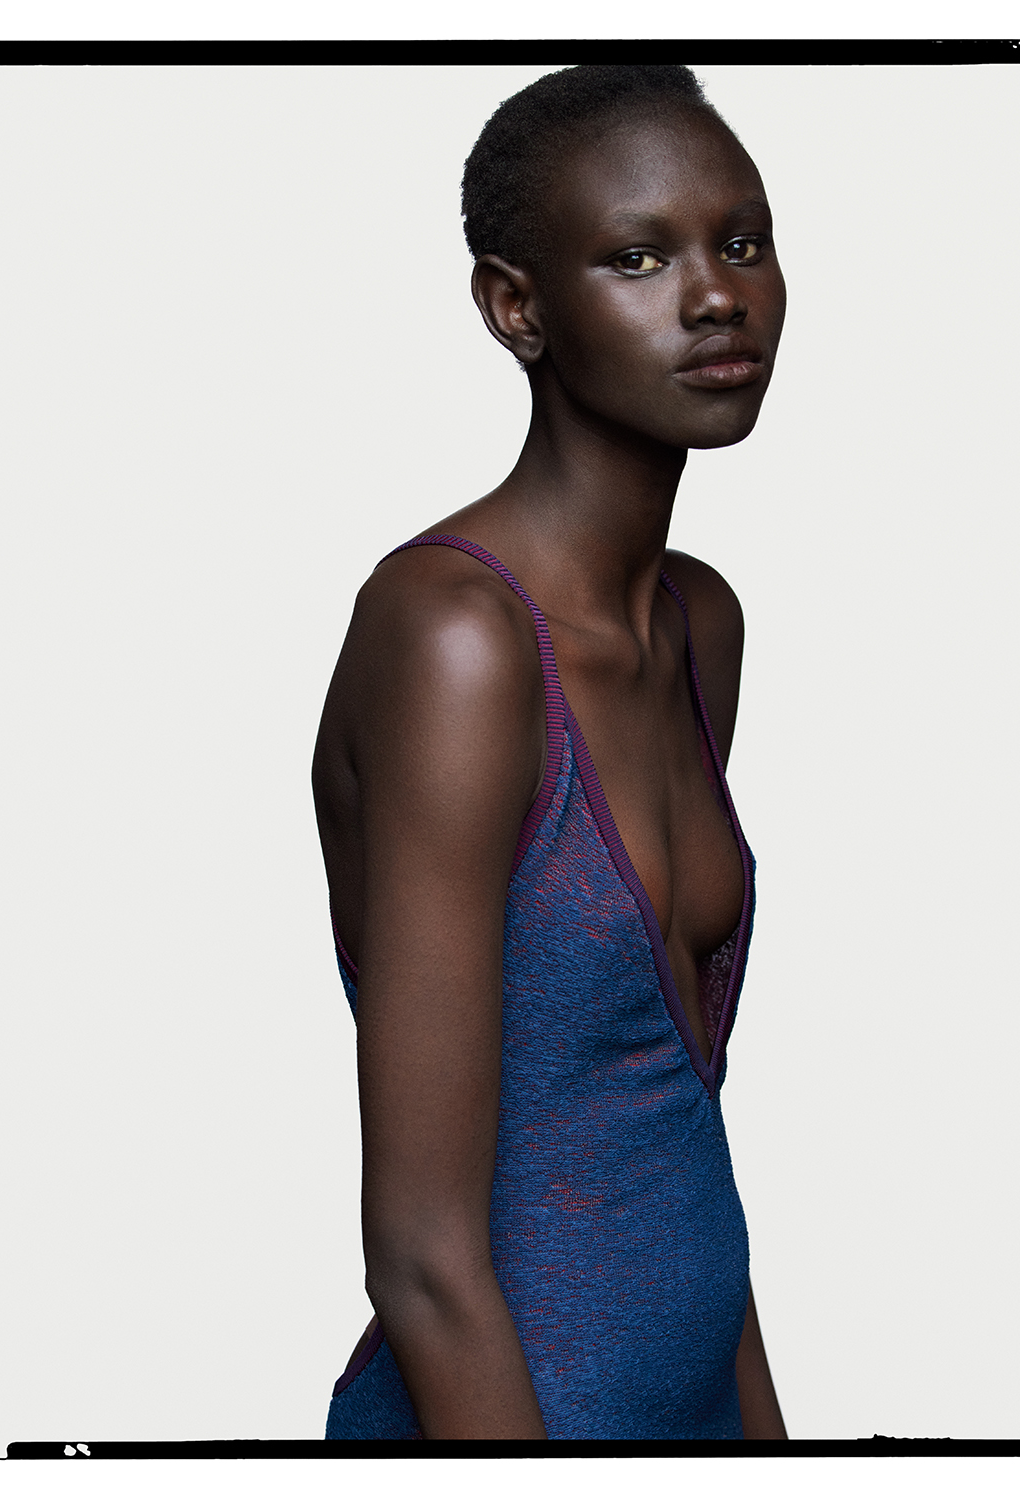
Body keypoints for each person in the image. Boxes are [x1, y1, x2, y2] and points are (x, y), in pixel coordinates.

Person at [312, 64, 788, 1441]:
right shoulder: (455, 636)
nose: (715, 296)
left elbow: (675, 1132)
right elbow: (422, 1255)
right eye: (638, 258)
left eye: (741, 242)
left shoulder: (698, 626)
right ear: (515, 307)